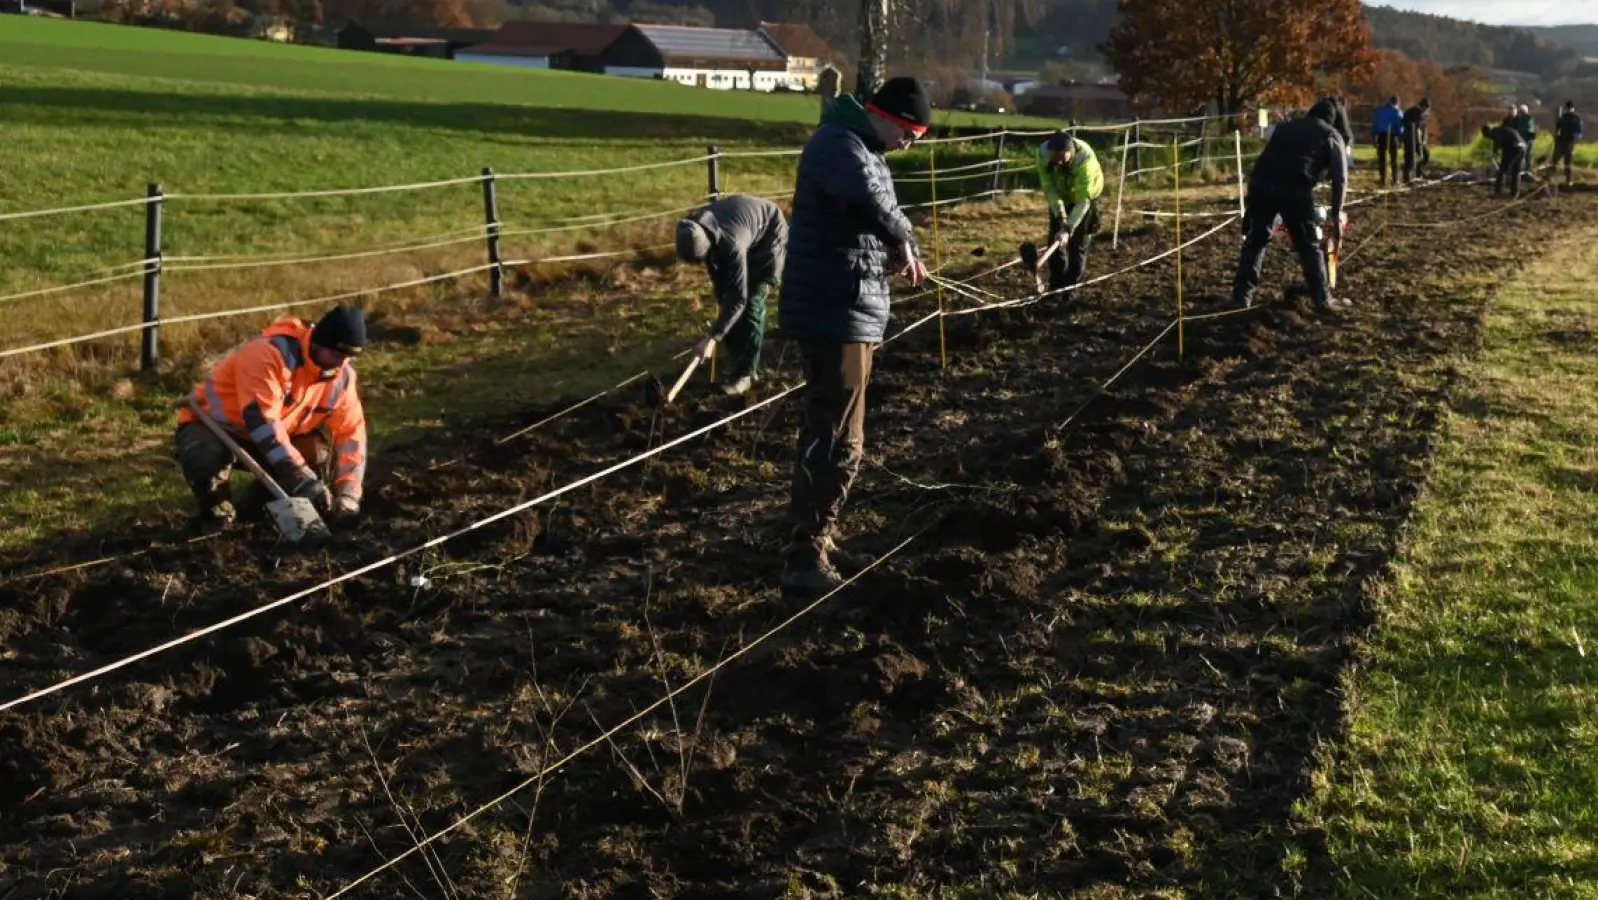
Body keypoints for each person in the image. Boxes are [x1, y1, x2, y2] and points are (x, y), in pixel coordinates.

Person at [777, 75, 930, 594]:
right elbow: (864, 200)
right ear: (885, 116)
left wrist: (895, 247)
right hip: (833, 310)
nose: (910, 144)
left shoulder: (862, 148)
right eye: (910, 133)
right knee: (833, 431)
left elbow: (863, 219)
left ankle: (822, 534)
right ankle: (803, 555)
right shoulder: (838, 145)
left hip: (852, 307)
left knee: (847, 430)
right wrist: (904, 238)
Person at [174, 305, 368, 530]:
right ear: (317, 342)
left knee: (319, 454)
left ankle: (257, 510)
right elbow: (263, 425)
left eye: (348, 358)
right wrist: (302, 479)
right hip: (219, 428)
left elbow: (351, 436)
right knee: (204, 453)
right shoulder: (268, 355)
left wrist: (348, 494)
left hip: (277, 436)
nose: (341, 364)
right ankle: (217, 512)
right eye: (336, 355)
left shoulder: (341, 378)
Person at [1231, 96, 1349, 313]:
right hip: (1295, 189)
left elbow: (1264, 161)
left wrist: (1250, 206)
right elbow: (1340, 179)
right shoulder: (1331, 135)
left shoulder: (1284, 128)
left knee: (1256, 240)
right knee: (1309, 245)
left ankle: (1241, 297)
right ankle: (1323, 299)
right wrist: (1336, 213)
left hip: (1260, 185)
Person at [675, 194, 788, 396]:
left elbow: (739, 299)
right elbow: (719, 277)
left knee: (751, 304)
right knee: (727, 303)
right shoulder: (693, 229)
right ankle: (736, 361)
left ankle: (746, 374)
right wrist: (721, 315)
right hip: (741, 227)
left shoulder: (732, 243)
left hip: (768, 236)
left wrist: (712, 338)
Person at [1034, 129, 1105, 293]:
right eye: (1055, 160)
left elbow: (1082, 200)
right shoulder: (1042, 154)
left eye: (1062, 160)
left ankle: (1071, 288)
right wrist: (1060, 217)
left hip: (1086, 197)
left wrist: (1068, 227)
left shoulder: (1084, 160)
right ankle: (1056, 285)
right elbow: (1049, 187)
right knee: (1054, 239)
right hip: (1061, 195)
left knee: (1078, 243)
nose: (1058, 163)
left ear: (1071, 153)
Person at [1482, 121, 1527, 198]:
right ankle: (1515, 193)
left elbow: (1498, 142)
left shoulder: (1496, 132)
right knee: (1516, 171)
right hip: (1523, 147)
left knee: (1502, 170)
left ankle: (1497, 192)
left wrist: (1493, 152)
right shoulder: (1502, 129)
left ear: (1488, 133)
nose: (1490, 138)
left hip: (1513, 148)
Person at [1372, 96, 1403, 187]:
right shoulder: (1397, 112)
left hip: (1381, 136)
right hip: (1392, 136)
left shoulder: (1379, 111)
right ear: (1396, 103)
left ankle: (1383, 179)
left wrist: (1374, 137)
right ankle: (1395, 179)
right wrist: (1400, 138)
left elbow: (1375, 124)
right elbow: (1399, 126)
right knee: (1394, 158)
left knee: (1382, 158)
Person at [1553, 101, 1583, 187]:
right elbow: (1558, 128)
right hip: (1561, 141)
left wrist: (1575, 142)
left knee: (1568, 162)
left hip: (1570, 142)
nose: (1569, 110)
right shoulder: (1562, 117)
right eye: (1568, 108)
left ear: (1573, 109)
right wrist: (1557, 135)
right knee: (1555, 160)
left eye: (1570, 108)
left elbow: (1579, 132)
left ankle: (1568, 180)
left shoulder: (1576, 118)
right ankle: (1549, 177)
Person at [1402, 97, 1431, 183]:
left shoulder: (1415, 112)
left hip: (1413, 139)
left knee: (1423, 156)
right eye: (1426, 108)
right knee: (1413, 158)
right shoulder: (1416, 113)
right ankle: (1408, 178)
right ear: (1424, 107)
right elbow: (1413, 125)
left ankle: (1417, 173)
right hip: (1411, 138)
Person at [1511, 103, 1537, 176]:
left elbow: (1522, 129)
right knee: (1527, 155)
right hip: (1529, 139)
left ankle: (1522, 170)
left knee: (1523, 154)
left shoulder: (1522, 119)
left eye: (1521, 111)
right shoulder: (1530, 118)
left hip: (1524, 139)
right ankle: (1527, 169)